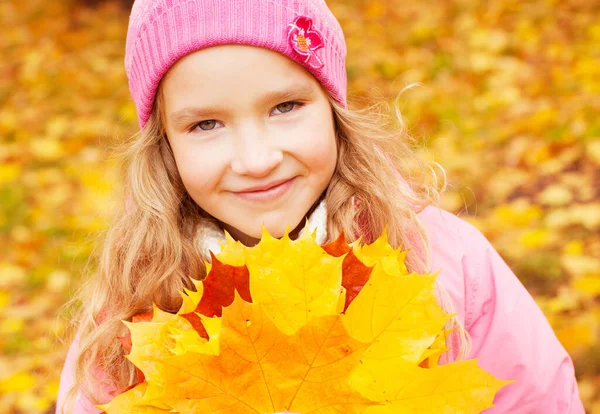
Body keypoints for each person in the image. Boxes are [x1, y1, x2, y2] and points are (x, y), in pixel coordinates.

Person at [55, 0, 584, 412]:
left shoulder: (441, 263)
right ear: (165, 146)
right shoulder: (133, 309)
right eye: (206, 125)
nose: (257, 159)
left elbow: (533, 399)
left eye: (285, 107)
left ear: (334, 112)